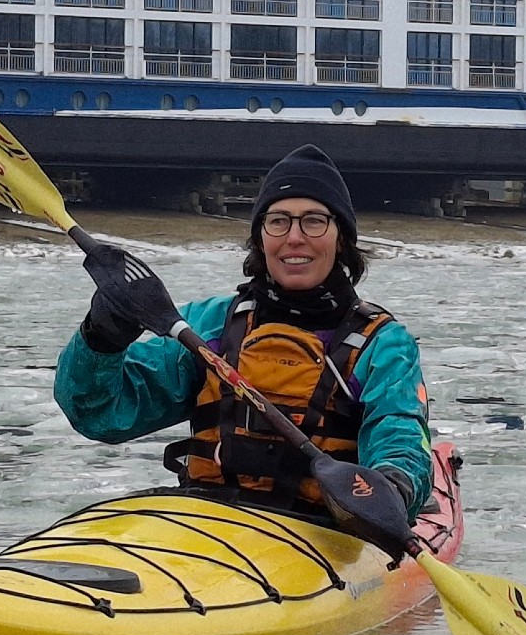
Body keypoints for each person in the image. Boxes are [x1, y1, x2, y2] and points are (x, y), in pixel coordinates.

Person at [53, 144, 434, 527]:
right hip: (210, 525)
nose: (295, 238)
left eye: (314, 221)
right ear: (261, 237)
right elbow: (99, 415)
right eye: (279, 221)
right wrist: (103, 336)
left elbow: (397, 433)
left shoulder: (382, 345)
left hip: (325, 536)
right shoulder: (208, 326)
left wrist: (394, 485)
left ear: (341, 239)